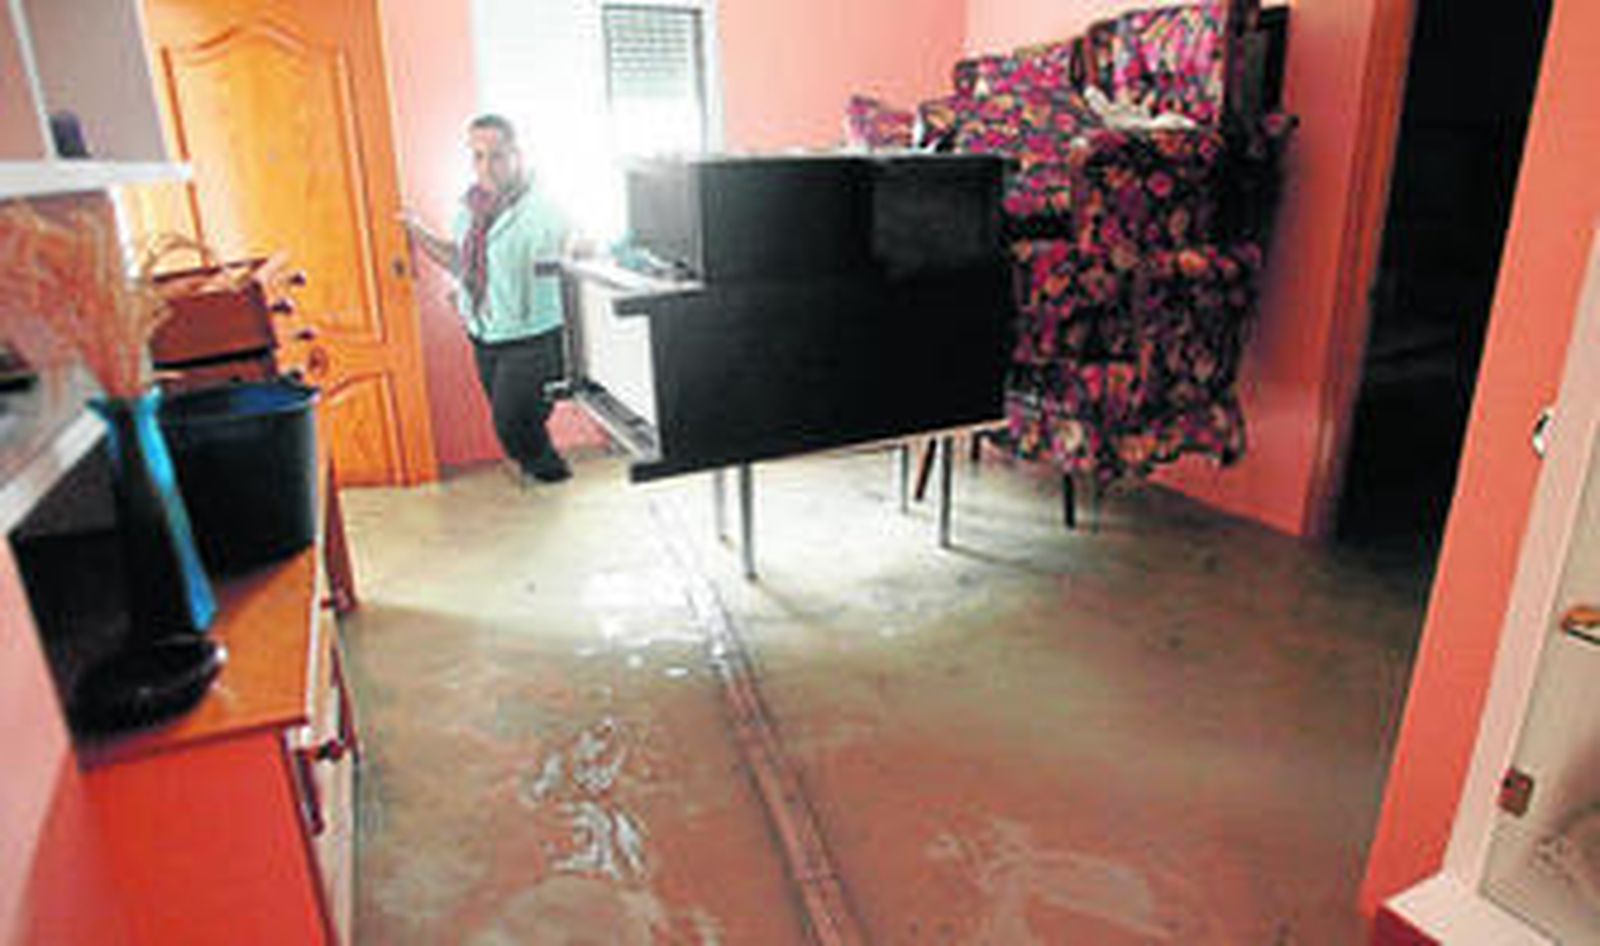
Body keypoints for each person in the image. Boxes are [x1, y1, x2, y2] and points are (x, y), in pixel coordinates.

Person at [400, 114, 575, 483]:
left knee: (511, 422)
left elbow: (574, 249)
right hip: (484, 333)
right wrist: (416, 233)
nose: (486, 167)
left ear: (516, 154)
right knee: (515, 418)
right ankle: (542, 471)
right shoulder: (469, 207)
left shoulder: (545, 208)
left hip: (533, 336)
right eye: (477, 156)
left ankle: (553, 475)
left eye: (496, 156)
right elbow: (461, 260)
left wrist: (581, 251)